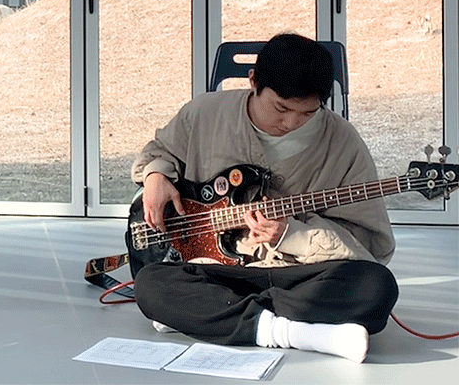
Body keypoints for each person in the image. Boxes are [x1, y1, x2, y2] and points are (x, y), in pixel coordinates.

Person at [131, 32, 397, 362]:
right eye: (281, 108)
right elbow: (161, 150)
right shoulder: (205, 112)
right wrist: (155, 174)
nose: (290, 123)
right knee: (151, 283)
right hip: (217, 269)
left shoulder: (343, 142)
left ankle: (220, 316)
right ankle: (297, 332)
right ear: (253, 81)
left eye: (307, 114)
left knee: (376, 287)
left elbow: (369, 245)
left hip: (294, 275)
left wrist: (293, 235)